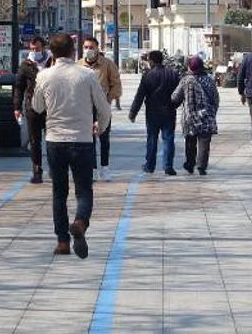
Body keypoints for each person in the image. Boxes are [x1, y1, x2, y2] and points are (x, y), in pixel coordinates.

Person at [32, 33, 110, 259]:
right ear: (73, 51)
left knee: (59, 192)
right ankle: (80, 222)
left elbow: (37, 107)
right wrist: (101, 128)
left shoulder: (44, 76)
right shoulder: (87, 75)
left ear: (51, 53)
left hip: (55, 141)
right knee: (84, 190)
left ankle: (62, 242)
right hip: (83, 141)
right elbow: (103, 109)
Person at [129, 50, 180, 175]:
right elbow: (180, 93)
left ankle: (150, 165)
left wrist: (133, 112)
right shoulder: (172, 74)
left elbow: (140, 95)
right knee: (168, 138)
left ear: (151, 61)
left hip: (152, 113)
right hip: (169, 111)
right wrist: (174, 105)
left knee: (152, 139)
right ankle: (168, 166)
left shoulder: (148, 75)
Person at [78, 37, 122, 182]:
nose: (88, 50)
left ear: (97, 48)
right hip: (85, 108)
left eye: (91, 47)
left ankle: (105, 168)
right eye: (86, 47)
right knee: (88, 140)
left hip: (102, 108)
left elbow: (116, 85)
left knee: (104, 139)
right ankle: (93, 169)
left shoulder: (107, 64)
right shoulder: (78, 65)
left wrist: (108, 99)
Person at [14, 37, 53, 184]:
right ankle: (37, 170)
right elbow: (19, 87)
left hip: (51, 108)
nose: (34, 51)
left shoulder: (52, 62)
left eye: (37, 48)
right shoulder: (25, 65)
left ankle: (54, 168)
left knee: (52, 140)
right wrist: (17, 107)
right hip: (32, 107)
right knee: (34, 141)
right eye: (32, 49)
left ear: (43, 47)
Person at [171, 55, 219, 176]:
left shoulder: (185, 81)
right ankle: (202, 166)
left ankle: (190, 163)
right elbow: (215, 98)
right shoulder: (209, 80)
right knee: (204, 142)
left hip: (190, 117)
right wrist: (213, 112)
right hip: (206, 117)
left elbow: (175, 97)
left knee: (190, 142)